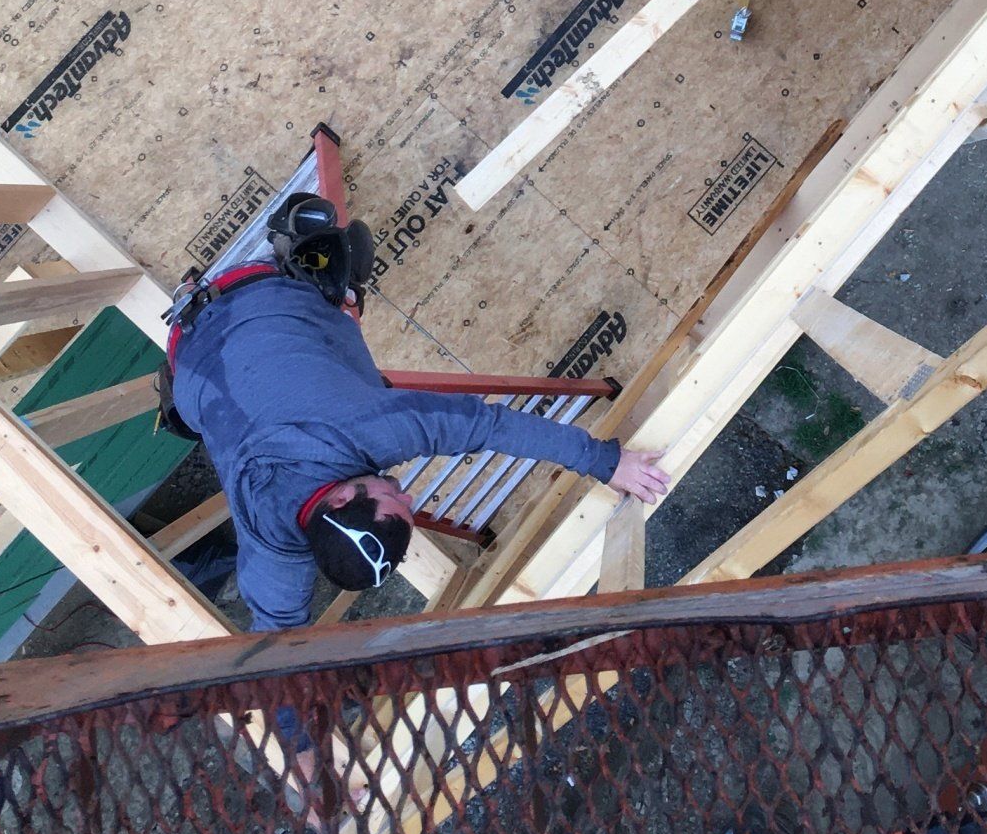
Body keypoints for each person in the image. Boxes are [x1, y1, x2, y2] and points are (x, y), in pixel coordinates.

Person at [161, 193, 668, 629]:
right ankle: (185, 397)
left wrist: (607, 463)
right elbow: (274, 640)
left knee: (346, 263)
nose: (401, 487)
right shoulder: (275, 552)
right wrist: (296, 739)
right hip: (186, 353)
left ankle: (301, 257)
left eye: (390, 494)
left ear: (340, 499)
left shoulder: (374, 429)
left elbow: (492, 426)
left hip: (258, 290)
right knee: (317, 377)